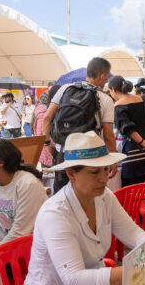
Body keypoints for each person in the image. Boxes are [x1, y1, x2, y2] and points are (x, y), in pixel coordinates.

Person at [22, 132, 145, 285]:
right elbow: (74, 280)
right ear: (71, 174)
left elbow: (131, 232)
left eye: (105, 169)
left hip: (90, 282)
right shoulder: (56, 213)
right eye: (94, 173)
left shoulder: (105, 197)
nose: (103, 178)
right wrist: (138, 269)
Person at [43, 57, 118, 193]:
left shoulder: (65, 89)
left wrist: (47, 143)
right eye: (107, 77)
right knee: (89, 197)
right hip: (90, 157)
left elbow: (47, 117)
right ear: (102, 76)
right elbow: (108, 135)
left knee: (62, 197)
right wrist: (113, 160)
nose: (107, 81)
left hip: (63, 154)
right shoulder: (106, 99)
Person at [0, 139, 48, 244]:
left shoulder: (27, 184)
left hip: (32, 245)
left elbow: (21, 231)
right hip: (11, 244)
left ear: (0, 162)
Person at [108, 75, 145, 187]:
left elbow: (129, 129)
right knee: (141, 187)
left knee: (129, 189)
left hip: (134, 149)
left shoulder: (118, 105)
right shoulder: (138, 99)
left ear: (113, 90)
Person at [33, 86, 61, 168]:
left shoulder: (49, 110)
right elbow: (41, 135)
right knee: (50, 177)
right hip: (48, 154)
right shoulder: (44, 112)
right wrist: (51, 152)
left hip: (52, 152)